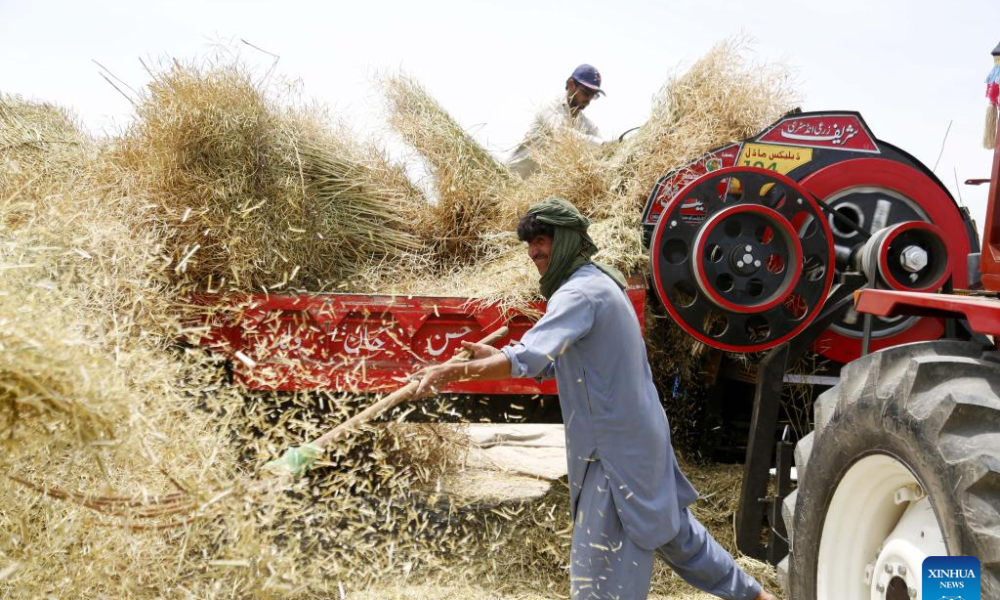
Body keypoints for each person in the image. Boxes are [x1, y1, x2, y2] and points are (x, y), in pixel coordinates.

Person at [413, 197, 777, 600]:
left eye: (541, 239)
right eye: (529, 243)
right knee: (677, 536)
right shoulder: (601, 284)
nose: (534, 251)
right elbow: (562, 362)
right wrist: (495, 356)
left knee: (598, 574)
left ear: (566, 239)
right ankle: (756, 596)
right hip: (640, 442)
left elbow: (529, 358)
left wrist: (452, 372)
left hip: (614, 456)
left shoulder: (579, 294)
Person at [507, 64, 605, 178]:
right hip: (513, 181)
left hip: (539, 190)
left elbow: (605, 148)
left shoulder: (585, 124)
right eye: (586, 93)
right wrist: (600, 144)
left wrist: (610, 147)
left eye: (593, 95)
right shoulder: (551, 108)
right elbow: (562, 135)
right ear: (571, 84)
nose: (588, 100)